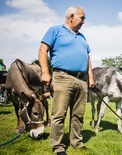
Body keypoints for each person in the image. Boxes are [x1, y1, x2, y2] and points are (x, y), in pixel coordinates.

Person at [38, 6, 94, 155]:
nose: (84, 21)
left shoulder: (82, 37)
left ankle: (76, 142)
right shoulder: (55, 30)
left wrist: (90, 77)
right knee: (59, 114)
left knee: (78, 114)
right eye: (82, 18)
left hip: (81, 80)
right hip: (63, 77)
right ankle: (58, 147)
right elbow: (43, 50)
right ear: (71, 17)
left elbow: (87, 58)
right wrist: (45, 72)